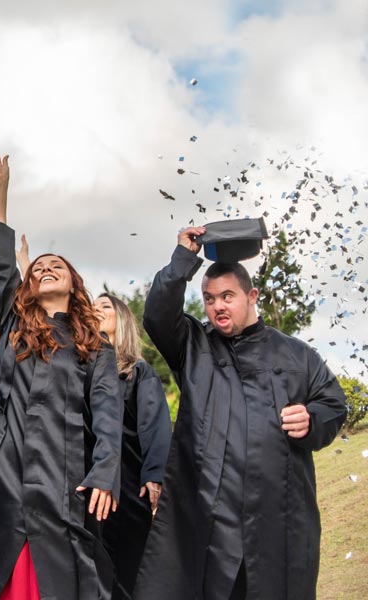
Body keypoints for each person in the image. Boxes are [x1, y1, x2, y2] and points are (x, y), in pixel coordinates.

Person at [134, 227, 348, 600]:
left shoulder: (297, 356)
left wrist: (312, 418)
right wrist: (184, 257)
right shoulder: (192, 347)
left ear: (251, 296)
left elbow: (334, 405)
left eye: (228, 296)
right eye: (210, 298)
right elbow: (156, 314)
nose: (217, 306)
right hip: (210, 523)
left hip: (278, 518)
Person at [0, 151, 122, 600]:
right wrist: (0, 186)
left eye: (56, 267)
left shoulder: (95, 348)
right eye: (39, 267)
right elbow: (1, 262)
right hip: (2, 469)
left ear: (74, 284)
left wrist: (105, 471)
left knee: (60, 576)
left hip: (62, 475)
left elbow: (107, 414)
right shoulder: (13, 324)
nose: (45, 269)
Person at [93, 292, 171, 600]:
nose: (96, 310)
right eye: (92, 307)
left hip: (127, 482)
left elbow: (154, 423)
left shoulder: (137, 371)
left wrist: (154, 475)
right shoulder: (80, 372)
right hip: (90, 482)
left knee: (126, 567)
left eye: (104, 306)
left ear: (121, 319)